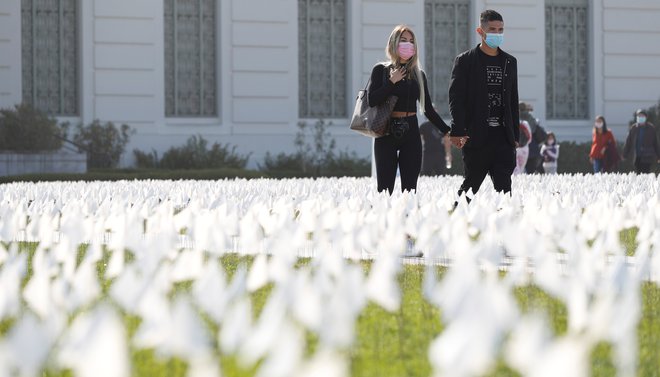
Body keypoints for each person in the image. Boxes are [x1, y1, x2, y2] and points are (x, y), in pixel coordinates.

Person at [368, 25, 450, 194]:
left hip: (410, 131)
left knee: (410, 190)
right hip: (385, 131)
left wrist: (447, 130)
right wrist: (392, 81)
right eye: (403, 40)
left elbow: (427, 109)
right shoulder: (381, 70)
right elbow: (372, 100)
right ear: (394, 44)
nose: (408, 44)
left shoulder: (418, 74)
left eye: (411, 41)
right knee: (384, 189)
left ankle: (408, 218)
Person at [448, 9, 519, 202]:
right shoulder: (465, 61)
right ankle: (454, 221)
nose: (497, 33)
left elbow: (513, 100)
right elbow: (456, 98)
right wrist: (458, 129)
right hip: (476, 135)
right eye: (493, 29)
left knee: (504, 188)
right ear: (481, 31)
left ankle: (506, 225)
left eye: (501, 29)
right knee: (471, 185)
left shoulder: (509, 62)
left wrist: (515, 136)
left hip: (503, 137)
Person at [623, 109, 660, 173]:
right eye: (639, 116)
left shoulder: (651, 128)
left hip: (647, 156)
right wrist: (624, 154)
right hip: (636, 156)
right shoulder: (633, 128)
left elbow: (655, 143)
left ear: (646, 117)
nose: (640, 118)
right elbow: (628, 142)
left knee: (645, 173)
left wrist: (658, 156)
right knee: (638, 173)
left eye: (642, 116)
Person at [520, 102, 545, 174]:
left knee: (517, 171)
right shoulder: (531, 118)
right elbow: (533, 129)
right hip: (532, 149)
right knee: (530, 171)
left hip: (519, 147)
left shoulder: (514, 116)